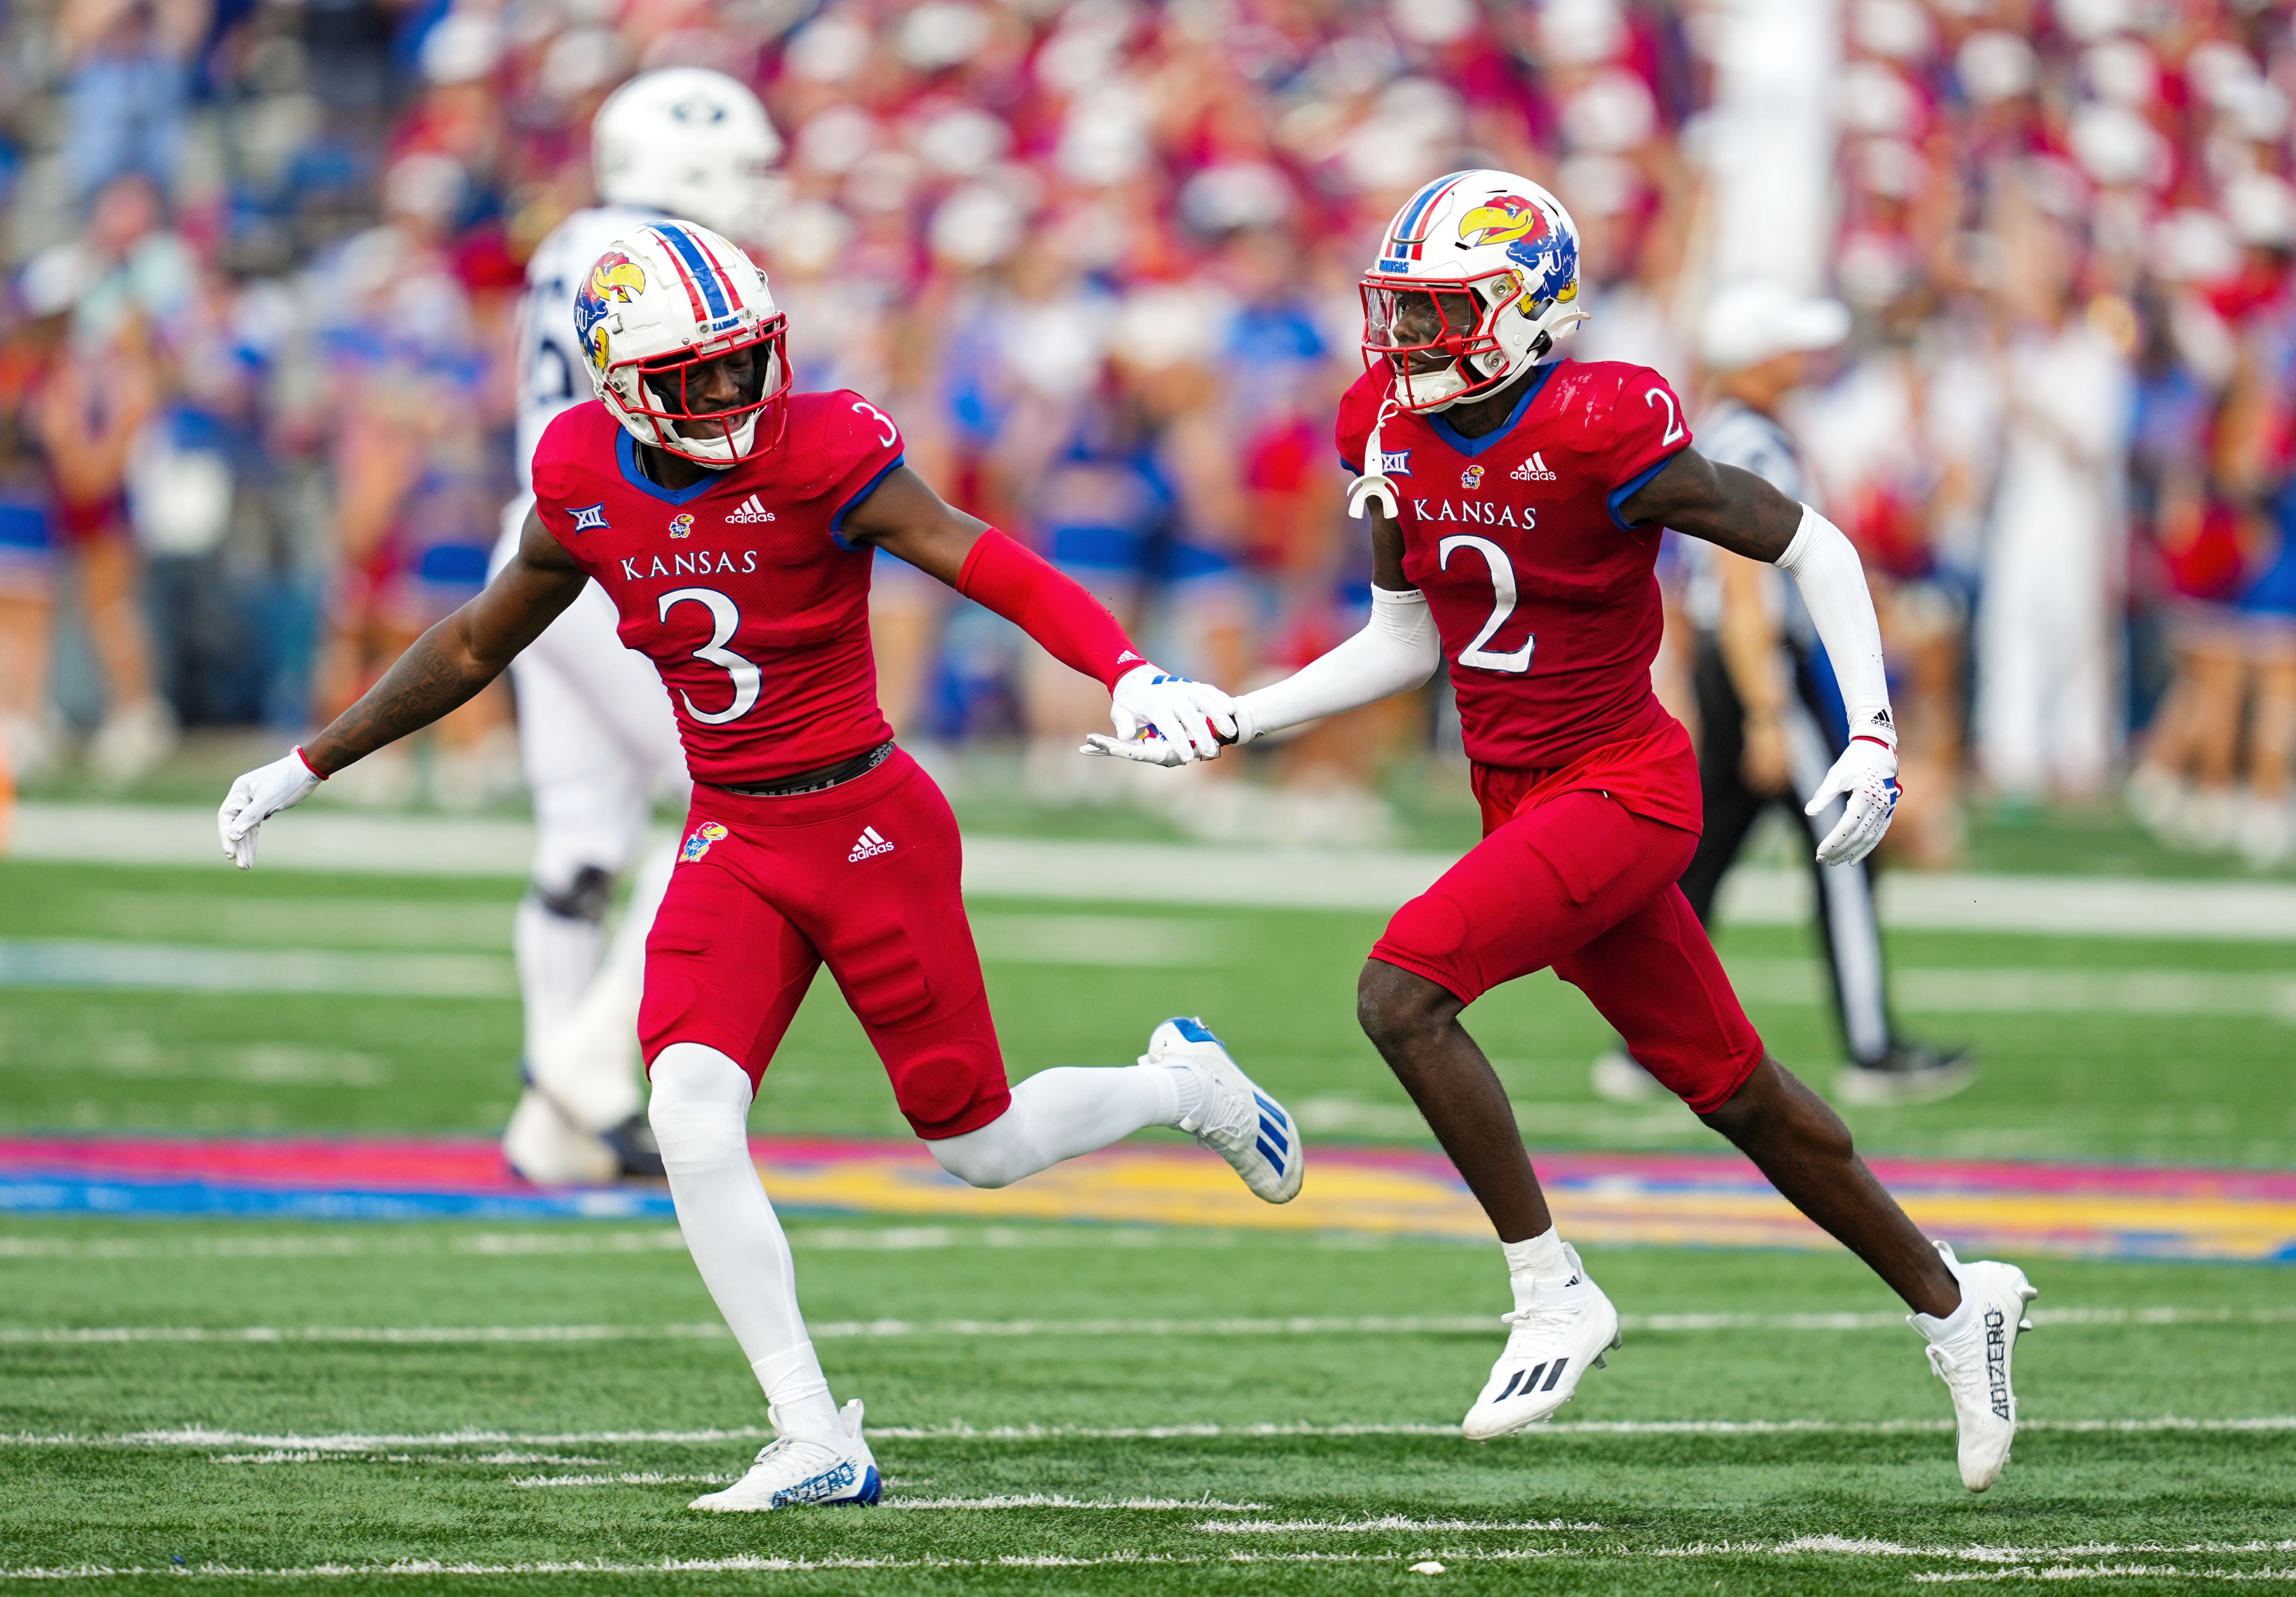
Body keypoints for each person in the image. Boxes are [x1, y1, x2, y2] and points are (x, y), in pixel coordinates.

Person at [217, 218, 1302, 1512]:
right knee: (685, 1112)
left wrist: (1132, 669)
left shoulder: (824, 445)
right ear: (621, 388)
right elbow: (471, 641)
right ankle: (811, 1427)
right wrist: (309, 761)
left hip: (867, 823)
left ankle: (1180, 1083)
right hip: (734, 829)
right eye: (701, 377)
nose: (734, 394)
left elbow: (979, 555)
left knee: (982, 1146)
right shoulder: (580, 473)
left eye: (746, 365)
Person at [1100, 172, 2036, 1493]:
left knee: (1401, 991)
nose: (1409, 346)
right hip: (1518, 789)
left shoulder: (1606, 419)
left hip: (1623, 784)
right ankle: (1957, 1300)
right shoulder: (1382, 421)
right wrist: (1237, 718)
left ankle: (1549, 1285)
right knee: (1741, 1092)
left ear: (1532, 310)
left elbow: (1816, 548)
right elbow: (1403, 639)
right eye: (1401, 316)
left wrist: (1874, 733)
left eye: (1443, 315)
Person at [490, 68, 784, 1184]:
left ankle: (550, 1124)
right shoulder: (656, 258)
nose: (756, 192)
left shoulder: (567, 239)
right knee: (741, 790)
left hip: (539, 537)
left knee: (580, 846)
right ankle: (583, 1062)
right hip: (615, 547)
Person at [1590, 283, 1972, 1108]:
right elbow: (1741, 581)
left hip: (1737, 666)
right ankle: (1871, 1049)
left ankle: (1643, 1044)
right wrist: (1768, 707)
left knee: (1706, 855)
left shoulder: (1717, 433)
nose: (1802, 359)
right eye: (1787, 346)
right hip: (1762, 665)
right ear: (1756, 358)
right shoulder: (1751, 444)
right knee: (1844, 844)